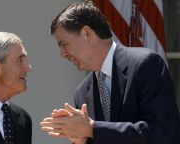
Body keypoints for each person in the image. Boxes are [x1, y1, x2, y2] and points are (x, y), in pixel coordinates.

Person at [40, 1, 180, 144]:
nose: (62, 54)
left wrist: (92, 128)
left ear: (87, 34)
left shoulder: (146, 64)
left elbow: (162, 134)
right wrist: (82, 140)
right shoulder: (82, 92)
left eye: (64, 44)